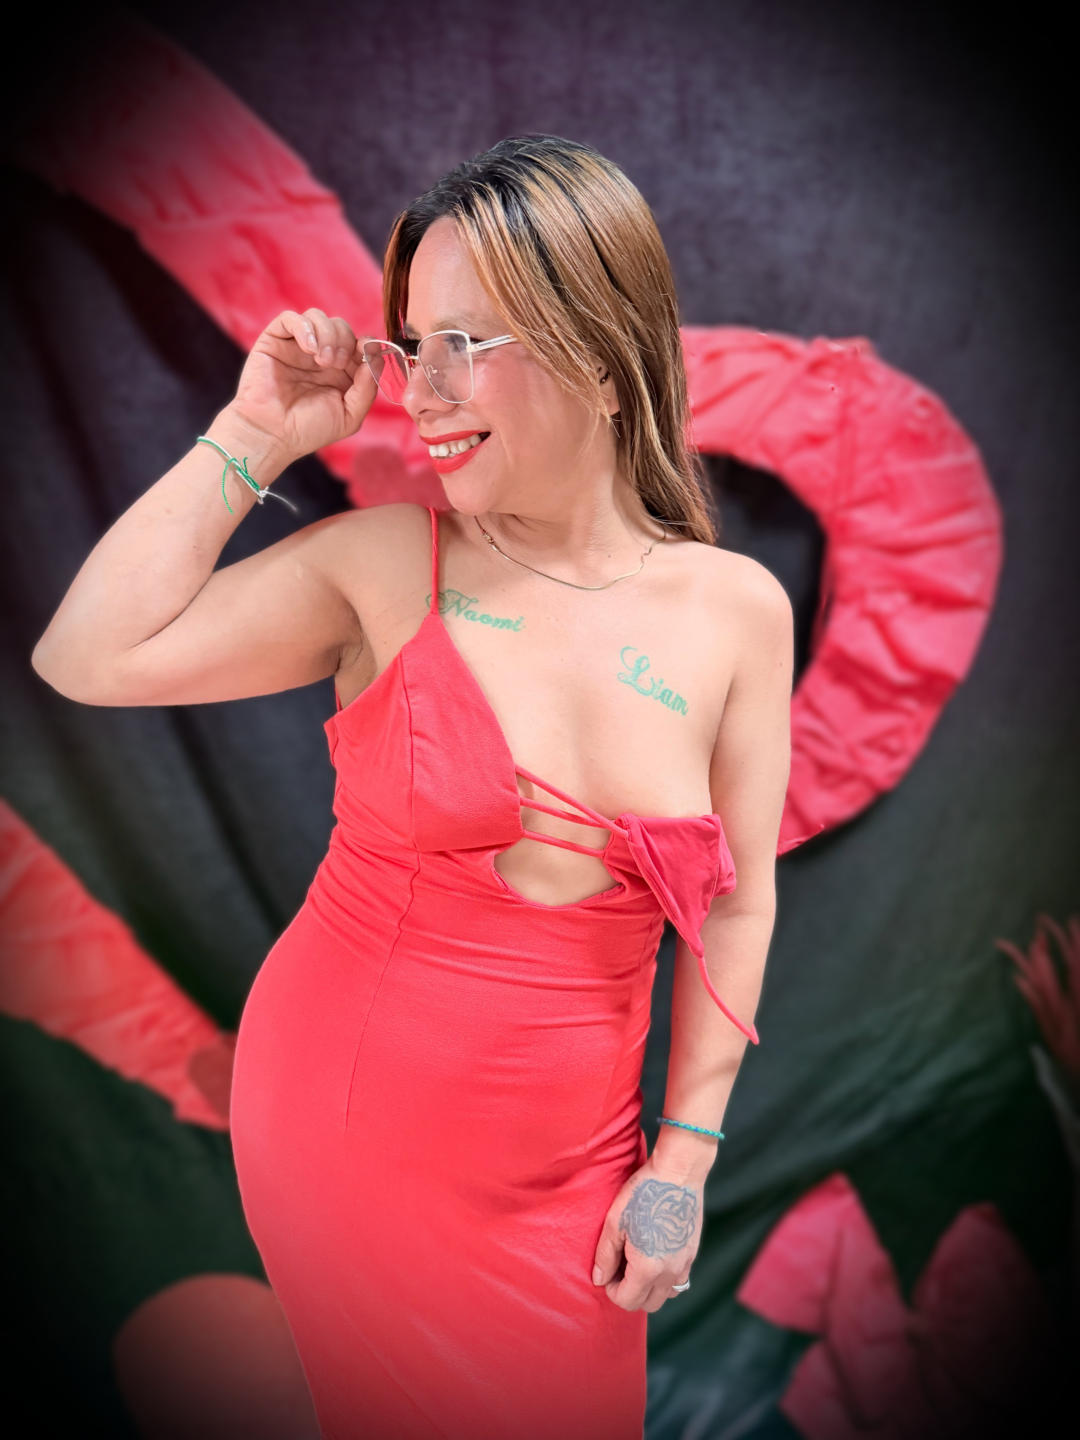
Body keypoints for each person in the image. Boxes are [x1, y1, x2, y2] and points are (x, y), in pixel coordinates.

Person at [31, 134, 795, 1439]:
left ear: (601, 351)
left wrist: (683, 1158)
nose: (420, 391)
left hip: (579, 1163)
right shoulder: (386, 566)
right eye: (412, 346)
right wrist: (252, 434)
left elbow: (738, 906)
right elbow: (84, 655)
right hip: (349, 1123)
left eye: (465, 344)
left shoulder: (735, 611)